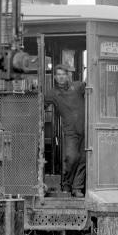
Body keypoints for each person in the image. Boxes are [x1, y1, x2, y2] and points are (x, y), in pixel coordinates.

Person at [44, 61, 88, 197]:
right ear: (55, 77)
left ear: (68, 76)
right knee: (71, 157)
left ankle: (77, 188)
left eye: (63, 74)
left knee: (83, 159)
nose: (61, 77)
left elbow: (90, 88)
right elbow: (41, 104)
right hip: (70, 132)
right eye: (58, 74)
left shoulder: (78, 86)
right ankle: (66, 185)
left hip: (86, 129)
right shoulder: (53, 93)